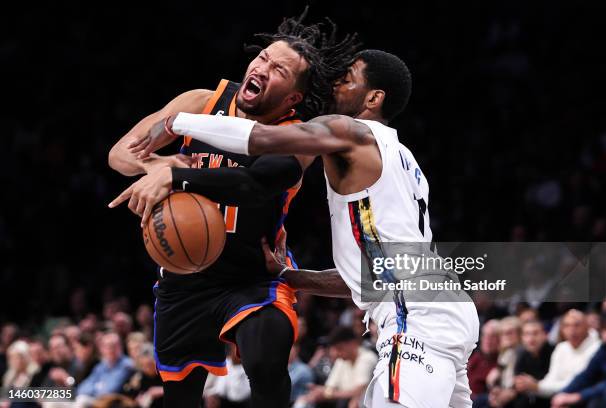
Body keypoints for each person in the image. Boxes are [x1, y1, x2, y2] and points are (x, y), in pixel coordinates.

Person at [131, 49, 480, 407]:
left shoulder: (350, 131)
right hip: (447, 309)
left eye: (347, 80)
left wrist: (179, 123)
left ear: (374, 98)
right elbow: (368, 278)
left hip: (416, 315)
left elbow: (263, 139)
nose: (334, 86)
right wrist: (291, 276)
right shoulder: (404, 160)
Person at [108, 10, 359, 408]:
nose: (262, 67)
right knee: (179, 398)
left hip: (252, 274)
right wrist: (157, 165)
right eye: (263, 58)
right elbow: (119, 153)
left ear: (293, 97)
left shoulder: (298, 136)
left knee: (265, 358)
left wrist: (177, 178)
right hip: (184, 278)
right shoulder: (200, 102)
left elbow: (253, 186)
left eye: (278, 69)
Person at [514, 309, 600, 398]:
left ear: (587, 327)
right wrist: (533, 386)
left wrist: (537, 386)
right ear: (562, 329)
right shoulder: (561, 348)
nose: (572, 330)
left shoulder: (597, 348)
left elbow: (576, 384)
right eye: (567, 326)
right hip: (560, 397)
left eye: (577, 325)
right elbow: (551, 378)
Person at [297, 326, 377, 407]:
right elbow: (330, 387)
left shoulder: (367, 358)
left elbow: (359, 391)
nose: (336, 353)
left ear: (352, 343)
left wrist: (328, 393)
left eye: (339, 348)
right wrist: (319, 392)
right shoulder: (341, 360)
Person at [551, 309, 606, 408]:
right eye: (605, 329)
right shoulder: (605, 347)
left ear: (587, 327)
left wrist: (579, 396)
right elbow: (586, 375)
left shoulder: (596, 345)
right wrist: (563, 394)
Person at [76, 332, 134, 405]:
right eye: (107, 346)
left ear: (120, 346)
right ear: (102, 349)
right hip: (97, 400)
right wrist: (97, 388)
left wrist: (96, 387)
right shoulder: (101, 366)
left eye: (113, 346)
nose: (110, 349)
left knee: (82, 401)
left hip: (115, 403)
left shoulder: (127, 365)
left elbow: (110, 390)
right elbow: (82, 388)